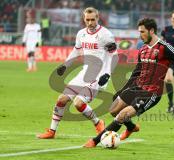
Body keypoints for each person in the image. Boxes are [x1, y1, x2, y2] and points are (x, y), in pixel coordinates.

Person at [84, 18, 174, 148]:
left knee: (122, 115)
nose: (140, 35)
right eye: (139, 32)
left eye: (143, 32)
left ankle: (95, 141)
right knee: (113, 110)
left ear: (151, 31)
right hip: (137, 86)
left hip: (152, 92)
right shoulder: (143, 49)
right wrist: (123, 90)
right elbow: (136, 72)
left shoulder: (165, 48)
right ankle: (131, 127)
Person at [37, 7, 118, 139]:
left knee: (78, 103)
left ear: (98, 18)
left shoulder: (106, 35)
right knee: (61, 100)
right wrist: (65, 64)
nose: (90, 22)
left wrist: (107, 74)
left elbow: (114, 55)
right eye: (87, 20)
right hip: (84, 73)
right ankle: (52, 131)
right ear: (84, 19)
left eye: (93, 19)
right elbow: (76, 50)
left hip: (99, 76)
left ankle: (98, 123)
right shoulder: (81, 33)